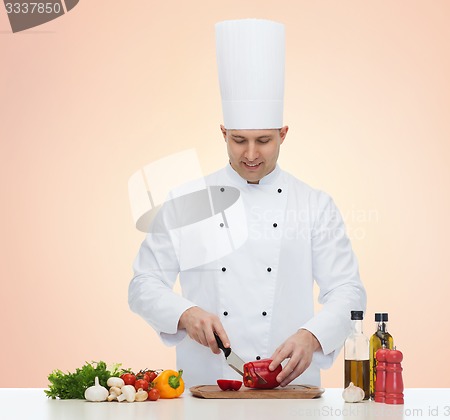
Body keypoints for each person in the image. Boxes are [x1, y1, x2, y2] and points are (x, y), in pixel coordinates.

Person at [129, 19, 366, 388]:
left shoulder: (314, 205)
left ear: (283, 135)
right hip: (207, 387)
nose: (251, 154)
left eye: (264, 140)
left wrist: (313, 335)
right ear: (223, 133)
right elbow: (143, 284)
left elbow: (349, 291)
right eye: (239, 140)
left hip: (292, 390)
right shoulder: (187, 201)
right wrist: (184, 313)